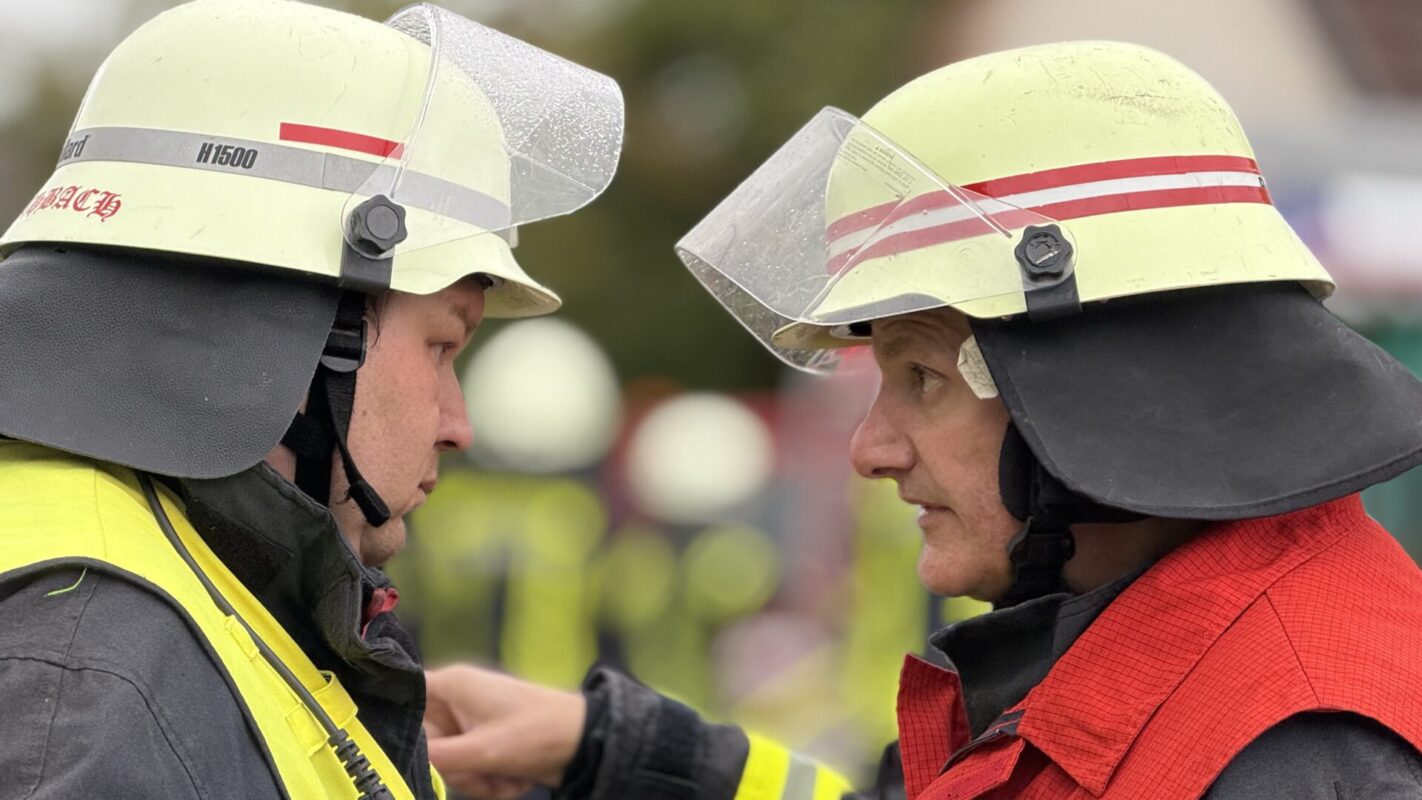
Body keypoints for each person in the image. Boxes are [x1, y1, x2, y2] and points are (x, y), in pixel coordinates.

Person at [419, 41, 1422, 799]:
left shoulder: (1303, 746)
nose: (870, 448)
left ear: (1104, 376)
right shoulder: (1152, 654)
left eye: (921, 377)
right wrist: (623, 751)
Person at [0, 1, 622, 797]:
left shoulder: (171, 599)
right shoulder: (92, 681)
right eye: (441, 346)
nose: (459, 425)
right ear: (294, 328)